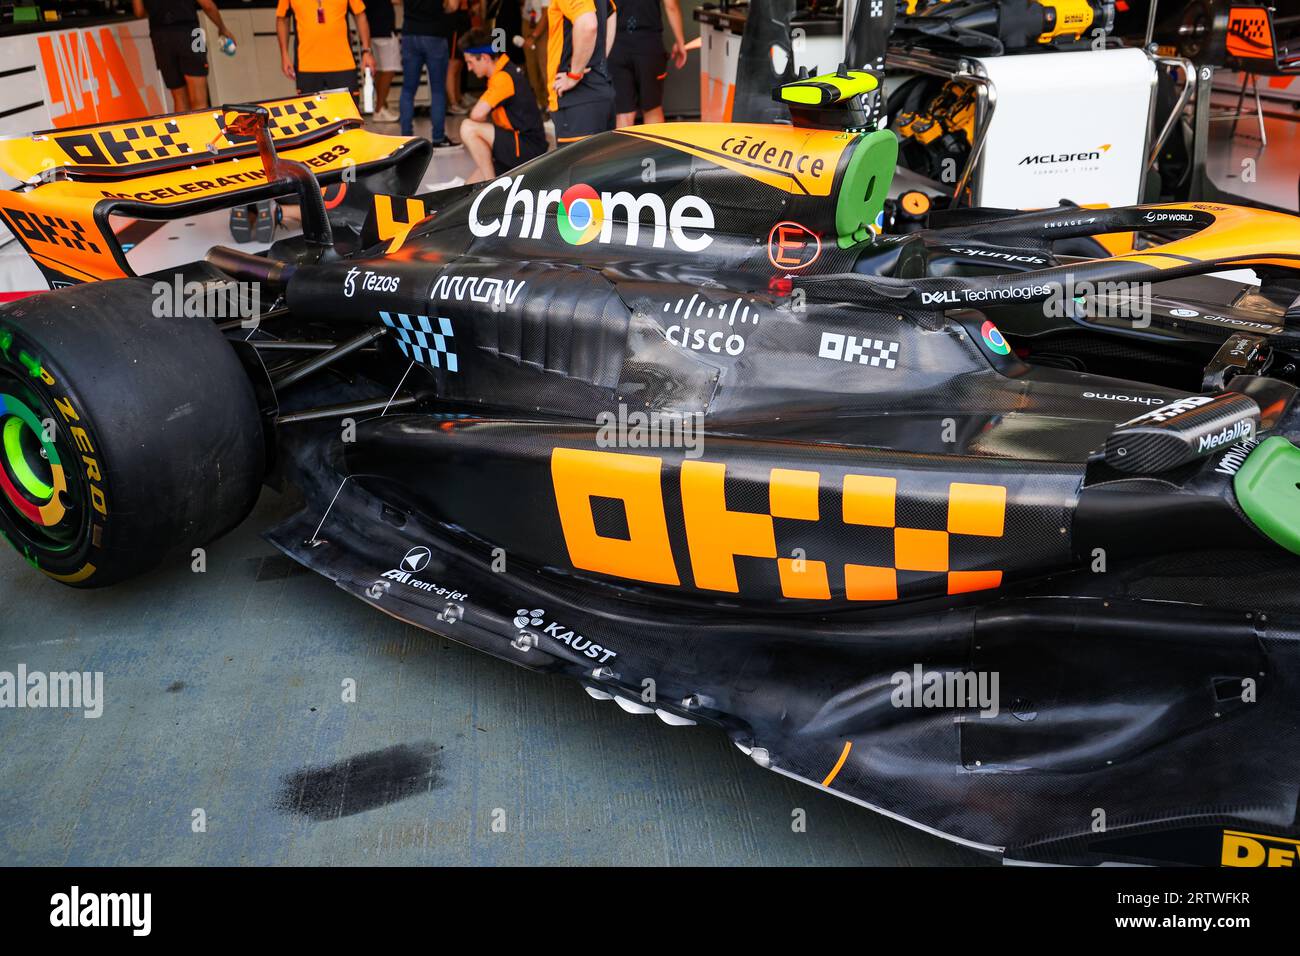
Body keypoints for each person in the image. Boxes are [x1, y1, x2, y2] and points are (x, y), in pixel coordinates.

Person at [458, 29, 547, 181]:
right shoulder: (503, 70)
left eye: (470, 62)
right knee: (468, 189)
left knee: (468, 127)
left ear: (485, 58)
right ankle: (489, 182)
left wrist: (484, 135)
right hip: (518, 145)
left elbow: (477, 114)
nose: (469, 68)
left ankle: (491, 188)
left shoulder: (503, 77)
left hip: (527, 149)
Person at [133, 0, 234, 111]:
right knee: (199, 101)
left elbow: (139, 12)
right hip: (191, 33)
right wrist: (222, 28)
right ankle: (201, 128)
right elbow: (207, 5)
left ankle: (183, 128)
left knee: (179, 98)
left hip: (160, 38)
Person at [547, 0, 616, 144]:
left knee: (577, 165)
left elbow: (588, 25)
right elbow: (611, 13)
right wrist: (600, 59)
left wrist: (574, 75)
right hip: (600, 92)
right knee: (602, 164)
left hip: (578, 100)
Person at [609, 0, 686, 127]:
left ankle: (625, 147)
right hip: (648, 44)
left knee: (623, 113)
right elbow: (671, 5)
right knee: (652, 109)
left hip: (616, 45)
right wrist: (680, 41)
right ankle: (656, 147)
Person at [276, 0, 377, 95]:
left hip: (343, 64)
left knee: (347, 112)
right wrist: (284, 54)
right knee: (311, 112)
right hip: (307, 66)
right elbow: (282, 19)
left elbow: (360, 15)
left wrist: (366, 51)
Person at [401, 0, 461, 148]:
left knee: (408, 89)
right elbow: (453, 5)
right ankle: (438, 138)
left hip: (410, 33)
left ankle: (406, 139)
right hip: (434, 33)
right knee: (438, 89)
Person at [367, 0, 401, 120]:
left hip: (372, 28)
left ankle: (382, 105)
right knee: (389, 69)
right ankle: (379, 108)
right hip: (384, 28)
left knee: (379, 70)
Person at [521, 0, 549, 110]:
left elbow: (546, 13)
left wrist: (534, 36)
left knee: (545, 67)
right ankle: (540, 102)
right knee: (532, 67)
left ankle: (550, 105)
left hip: (542, 26)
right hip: (528, 21)